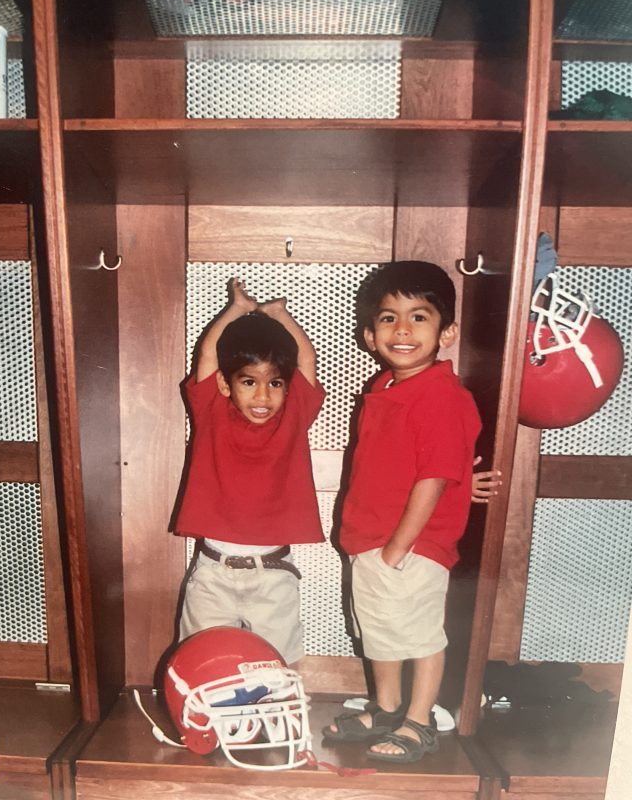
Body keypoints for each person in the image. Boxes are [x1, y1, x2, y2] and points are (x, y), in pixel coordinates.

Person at [323, 261, 483, 763]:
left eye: (419, 317)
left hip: (409, 546)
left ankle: (419, 720)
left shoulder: (438, 395)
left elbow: (432, 477)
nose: (404, 330)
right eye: (389, 319)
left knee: (417, 633)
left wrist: (398, 548)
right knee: (380, 630)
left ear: (447, 331)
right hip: (370, 541)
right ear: (370, 334)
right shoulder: (388, 390)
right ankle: (387, 706)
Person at [173, 277, 325, 665]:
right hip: (212, 572)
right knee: (202, 661)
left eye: (275, 383)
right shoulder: (212, 415)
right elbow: (207, 358)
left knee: (278, 665)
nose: (263, 396)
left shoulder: (293, 417)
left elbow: (306, 362)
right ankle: (204, 725)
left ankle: (279, 724)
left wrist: (281, 316)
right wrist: (235, 311)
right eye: (249, 382)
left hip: (272, 573)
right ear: (226, 385)